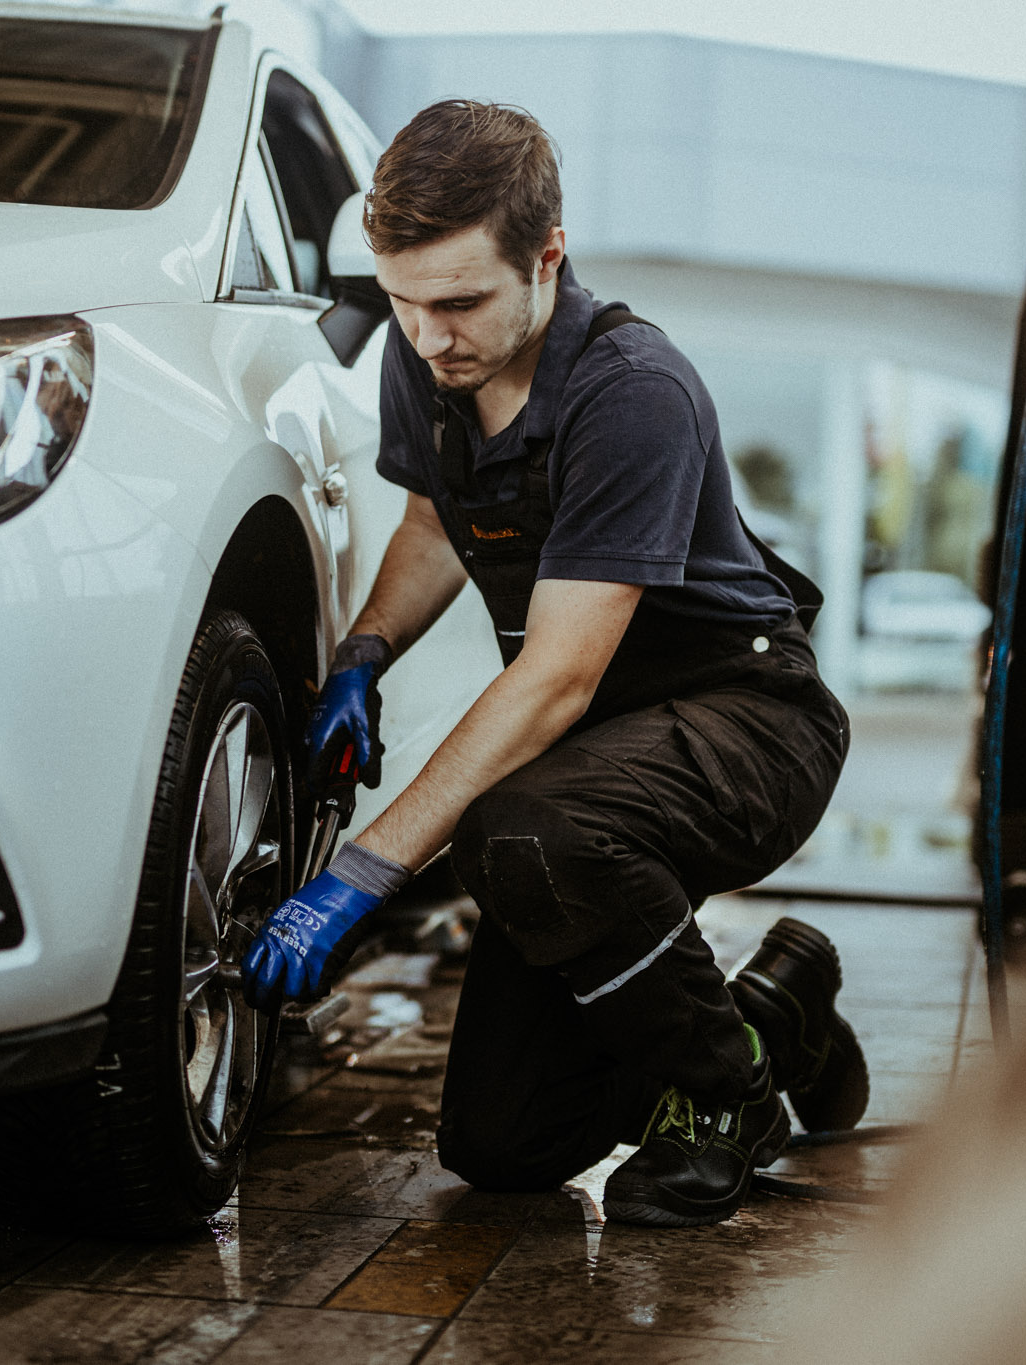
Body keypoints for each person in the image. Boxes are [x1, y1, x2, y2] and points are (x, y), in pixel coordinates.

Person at [240, 100, 865, 1227]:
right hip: (601, 749)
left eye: (461, 301)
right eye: (402, 301)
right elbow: (437, 523)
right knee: (504, 1144)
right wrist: (362, 654)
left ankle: (724, 1096)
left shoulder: (632, 393)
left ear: (547, 255)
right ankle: (771, 1016)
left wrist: (357, 877)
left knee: (522, 829)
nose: (429, 336)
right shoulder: (427, 354)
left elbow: (554, 681)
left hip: (744, 718)